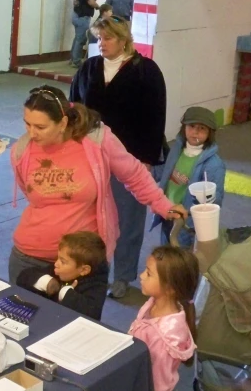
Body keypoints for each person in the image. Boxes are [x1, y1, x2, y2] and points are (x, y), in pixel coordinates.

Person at [8, 85, 185, 285]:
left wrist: (162, 204)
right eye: (27, 124)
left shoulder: (96, 141)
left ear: (63, 122)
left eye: (40, 127)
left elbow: (134, 173)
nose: (31, 133)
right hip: (29, 258)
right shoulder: (20, 151)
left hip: (83, 263)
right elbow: (30, 193)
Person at [70, 16, 167, 300]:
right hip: (91, 157)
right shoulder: (89, 68)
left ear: (124, 40)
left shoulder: (146, 71)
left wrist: (147, 159)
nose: (102, 44)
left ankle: (122, 276)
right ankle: (93, 271)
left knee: (127, 222)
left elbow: (155, 117)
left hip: (130, 159)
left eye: (108, 38)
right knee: (90, 219)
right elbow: (74, 107)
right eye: (99, 38)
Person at [151, 107, 226, 249]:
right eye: (191, 126)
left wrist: (209, 196)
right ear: (183, 127)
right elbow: (167, 170)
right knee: (166, 253)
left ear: (210, 133)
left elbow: (217, 200)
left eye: (202, 128)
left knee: (181, 259)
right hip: (168, 211)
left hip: (187, 221)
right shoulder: (176, 149)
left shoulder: (214, 165)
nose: (195, 132)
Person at [129, 246, 199, 391]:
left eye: (148, 273)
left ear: (170, 288)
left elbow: (159, 382)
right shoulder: (154, 302)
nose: (141, 276)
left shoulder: (164, 336)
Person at [16, 231, 109, 320]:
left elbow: (91, 313)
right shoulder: (58, 270)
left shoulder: (96, 285)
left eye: (63, 261)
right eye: (58, 258)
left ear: (84, 270)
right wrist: (45, 281)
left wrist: (65, 293)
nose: (56, 264)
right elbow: (23, 277)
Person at [70, 0, 100, 68]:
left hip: (76, 15)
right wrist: (98, 7)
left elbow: (85, 1)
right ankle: (76, 61)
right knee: (81, 39)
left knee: (77, 38)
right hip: (82, 17)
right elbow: (90, 3)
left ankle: (72, 59)